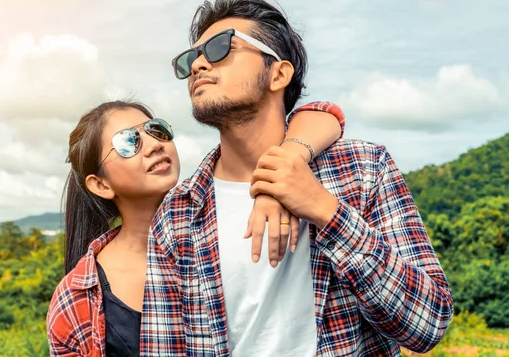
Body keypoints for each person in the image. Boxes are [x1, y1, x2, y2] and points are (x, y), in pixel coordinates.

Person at [141, 0, 454, 356]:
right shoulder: (178, 214)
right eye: (192, 57)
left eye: (220, 48)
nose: (198, 66)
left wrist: (326, 211)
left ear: (279, 73)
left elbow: (429, 324)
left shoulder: (363, 169)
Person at [46, 99, 345, 356]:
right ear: (100, 184)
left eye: (157, 130)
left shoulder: (230, 217)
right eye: (128, 143)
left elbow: (323, 113)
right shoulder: (77, 298)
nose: (153, 145)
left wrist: (281, 172)